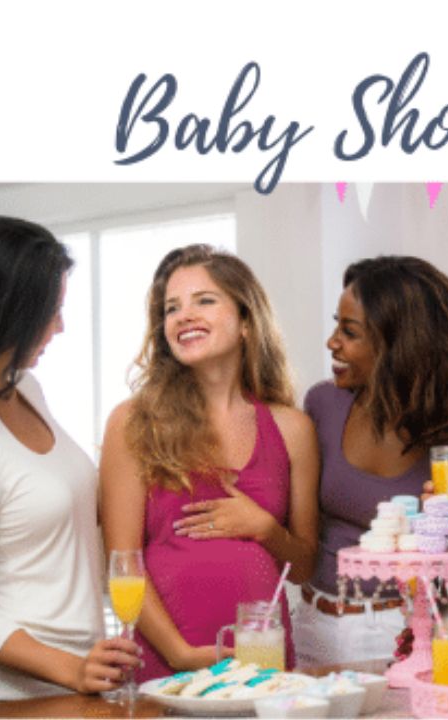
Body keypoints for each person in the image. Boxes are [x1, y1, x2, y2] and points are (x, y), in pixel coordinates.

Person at [0, 216, 140, 700]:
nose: (60, 326)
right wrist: (73, 669)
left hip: (72, 689)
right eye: (50, 311)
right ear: (5, 313)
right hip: (12, 699)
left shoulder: (27, 390)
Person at [99, 244, 319, 681]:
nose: (184, 316)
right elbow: (122, 563)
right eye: (172, 308)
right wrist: (180, 654)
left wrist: (265, 528)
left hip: (262, 660)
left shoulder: (292, 428)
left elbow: (305, 567)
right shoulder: (134, 422)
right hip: (167, 663)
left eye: (204, 300)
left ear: (246, 321)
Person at [295, 255, 448, 668]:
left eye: (350, 332)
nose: (332, 342)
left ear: (399, 345)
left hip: (406, 632)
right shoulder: (322, 405)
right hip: (313, 621)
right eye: (336, 325)